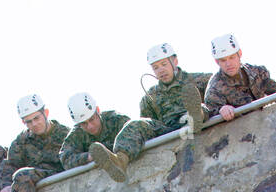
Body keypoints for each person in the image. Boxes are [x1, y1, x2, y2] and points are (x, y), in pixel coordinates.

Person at [89, 42, 211, 183]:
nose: (161, 70)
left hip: (192, 119)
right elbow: (149, 124)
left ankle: (196, 118)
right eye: (156, 67)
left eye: (164, 64)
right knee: (136, 124)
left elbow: (216, 99)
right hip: (167, 129)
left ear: (175, 61)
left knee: (200, 108)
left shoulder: (200, 80)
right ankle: (119, 160)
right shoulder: (150, 96)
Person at [203, 34, 276, 121]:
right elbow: (209, 115)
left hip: (268, 122)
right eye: (223, 60)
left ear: (239, 54)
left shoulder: (256, 72)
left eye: (232, 57)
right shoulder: (214, 89)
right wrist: (221, 110)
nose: (228, 64)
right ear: (217, 62)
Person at [59, 93, 131, 171]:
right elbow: (66, 159)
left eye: (92, 119)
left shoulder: (117, 120)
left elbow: (133, 136)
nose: (90, 126)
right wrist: (90, 156)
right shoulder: (76, 134)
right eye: (84, 123)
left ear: (98, 110)